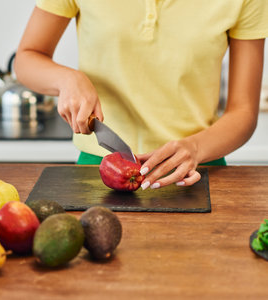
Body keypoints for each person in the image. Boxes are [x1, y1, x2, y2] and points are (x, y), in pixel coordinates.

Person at [14, 0, 268, 190]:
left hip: (198, 168)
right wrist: (67, 79)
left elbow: (243, 111)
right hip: (98, 168)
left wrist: (196, 147)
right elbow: (27, 57)